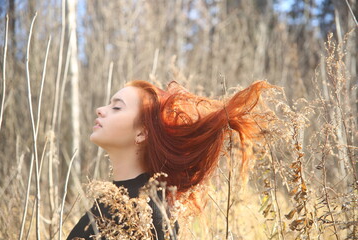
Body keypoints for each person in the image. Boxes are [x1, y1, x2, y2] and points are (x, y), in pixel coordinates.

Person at [67, 79, 272, 239]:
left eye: (117, 107)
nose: (100, 110)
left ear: (142, 133)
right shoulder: (116, 199)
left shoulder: (146, 211)